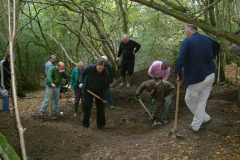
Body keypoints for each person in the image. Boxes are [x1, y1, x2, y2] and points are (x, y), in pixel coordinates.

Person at [175, 24, 220, 133]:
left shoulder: (188, 41)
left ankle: (200, 122)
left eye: (186, 33)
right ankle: (201, 121)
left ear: (189, 32)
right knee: (201, 101)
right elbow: (217, 46)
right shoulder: (207, 39)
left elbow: (181, 58)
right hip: (210, 74)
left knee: (189, 99)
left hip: (198, 77)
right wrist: (210, 57)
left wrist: (178, 74)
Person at [79, 59, 110, 129]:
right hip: (88, 89)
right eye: (100, 68)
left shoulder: (106, 73)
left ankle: (101, 125)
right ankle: (85, 124)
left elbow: (106, 86)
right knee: (87, 106)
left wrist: (105, 97)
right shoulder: (90, 68)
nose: (101, 70)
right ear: (97, 65)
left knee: (100, 107)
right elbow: (83, 74)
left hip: (99, 91)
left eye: (102, 68)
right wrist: (81, 82)